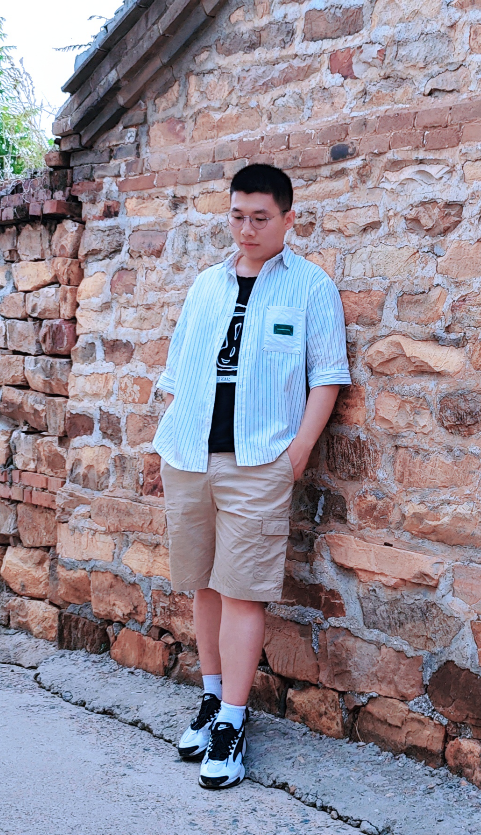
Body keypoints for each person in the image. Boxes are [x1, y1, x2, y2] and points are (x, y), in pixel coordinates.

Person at [153, 163, 350, 789]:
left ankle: (234, 722)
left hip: (259, 460)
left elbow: (328, 376)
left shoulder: (310, 287)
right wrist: (172, 435)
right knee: (203, 586)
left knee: (242, 590)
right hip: (190, 455)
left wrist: (297, 454)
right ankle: (212, 699)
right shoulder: (206, 284)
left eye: (260, 218)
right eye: (237, 216)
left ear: (288, 219)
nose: (246, 229)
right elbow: (179, 367)